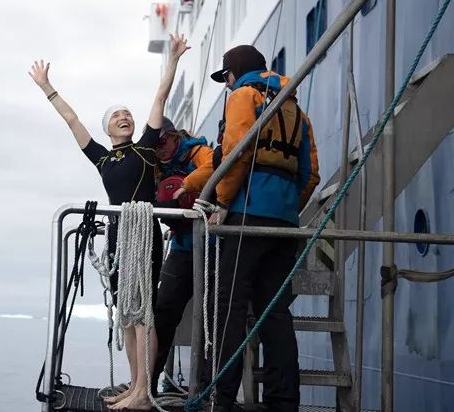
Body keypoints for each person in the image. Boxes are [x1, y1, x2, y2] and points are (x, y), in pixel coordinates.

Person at [28, 33, 190, 411]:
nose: (125, 116)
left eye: (127, 113)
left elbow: (160, 97)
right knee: (127, 313)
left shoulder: (146, 148)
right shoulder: (102, 158)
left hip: (143, 233)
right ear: (107, 129)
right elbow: (72, 120)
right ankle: (135, 387)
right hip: (118, 237)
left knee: (143, 312)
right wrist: (47, 87)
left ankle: (143, 393)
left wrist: (174, 60)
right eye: (117, 115)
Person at [207, 45, 320, 412]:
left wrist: (223, 202)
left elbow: (237, 151)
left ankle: (221, 398)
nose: (227, 85)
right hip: (284, 223)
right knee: (275, 311)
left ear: (232, 74)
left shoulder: (244, 95)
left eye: (225, 78)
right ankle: (283, 402)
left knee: (230, 306)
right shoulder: (296, 110)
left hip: (246, 217)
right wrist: (286, 209)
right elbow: (311, 175)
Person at [149, 117, 216, 392]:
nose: (160, 149)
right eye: (155, 145)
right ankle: (147, 382)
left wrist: (186, 185)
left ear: (176, 136)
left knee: (213, 319)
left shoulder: (197, 152)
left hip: (213, 245)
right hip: (181, 246)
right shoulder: (155, 167)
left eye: (163, 142)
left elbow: (216, 167)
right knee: (163, 312)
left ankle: (206, 389)